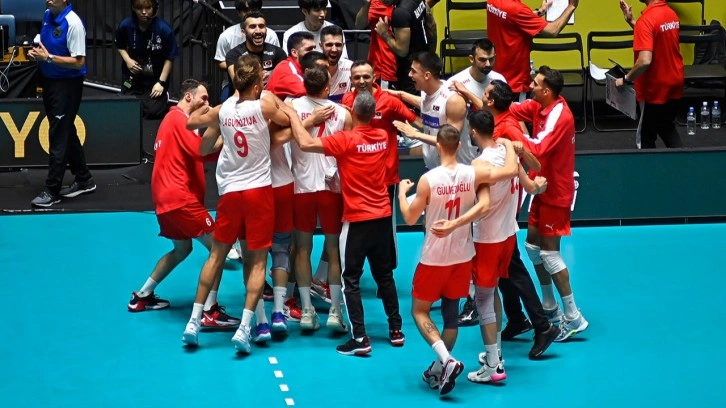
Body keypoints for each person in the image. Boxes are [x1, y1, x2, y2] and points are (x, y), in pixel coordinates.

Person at [281, 91, 405, 356]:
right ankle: (396, 330)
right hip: (382, 216)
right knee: (384, 275)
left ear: (353, 113)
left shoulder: (346, 140)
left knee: (351, 279)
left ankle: (360, 338)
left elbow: (303, 142)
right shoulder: (382, 138)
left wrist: (292, 113)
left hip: (357, 219)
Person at [181, 54, 291, 352]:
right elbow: (287, 120)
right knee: (257, 262)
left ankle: (193, 321)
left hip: (230, 193)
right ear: (256, 83)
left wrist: (214, 125)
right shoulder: (264, 105)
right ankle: (245, 328)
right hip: (258, 192)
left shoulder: (223, 109)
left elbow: (191, 122)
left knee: (215, 257)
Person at [397, 124, 518, 395]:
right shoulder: (473, 173)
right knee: (451, 317)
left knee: (419, 311)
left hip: (434, 257)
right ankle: (440, 369)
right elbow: (510, 171)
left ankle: (448, 360)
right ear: (459, 146)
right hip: (463, 257)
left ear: (438, 147)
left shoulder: (429, 180)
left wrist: (402, 194)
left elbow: (409, 217)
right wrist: (509, 145)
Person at [127, 79, 239, 328]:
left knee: (182, 249)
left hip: (166, 202)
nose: (207, 103)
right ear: (188, 97)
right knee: (219, 248)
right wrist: (228, 130)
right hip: (180, 200)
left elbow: (201, 152)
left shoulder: (172, 121)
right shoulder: (179, 119)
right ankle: (210, 311)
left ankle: (142, 296)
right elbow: (202, 151)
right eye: (204, 98)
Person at [479, 79, 559, 359]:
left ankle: (542, 325)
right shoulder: (496, 123)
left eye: (485, 94)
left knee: (514, 271)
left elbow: (533, 159)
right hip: (500, 213)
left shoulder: (509, 128)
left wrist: (525, 181)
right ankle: (517, 318)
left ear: (491, 101)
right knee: (505, 271)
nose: (482, 96)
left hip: (501, 213)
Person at [509, 66, 588, 342]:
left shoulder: (560, 116)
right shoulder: (539, 105)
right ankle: (549, 306)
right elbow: (510, 110)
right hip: (541, 188)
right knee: (532, 247)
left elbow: (538, 149)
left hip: (556, 192)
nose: (530, 85)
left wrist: (513, 138)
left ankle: (574, 316)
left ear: (546, 91)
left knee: (550, 254)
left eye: (535, 83)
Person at [289, 67, 352, 333]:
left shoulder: (291, 108)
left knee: (301, 248)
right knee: (334, 249)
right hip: (331, 188)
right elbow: (348, 152)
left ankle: (306, 309)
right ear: (327, 87)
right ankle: (336, 311)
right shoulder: (343, 114)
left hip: (301, 187)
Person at [29, 0, 95, 207]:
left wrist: (47, 58)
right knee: (65, 129)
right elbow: (47, 48)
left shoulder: (73, 23)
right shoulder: (48, 15)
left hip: (67, 85)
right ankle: (84, 179)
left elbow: (79, 62)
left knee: (58, 134)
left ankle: (52, 190)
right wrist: (37, 54)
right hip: (49, 81)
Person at [617, 0, 684, 149]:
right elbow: (654, 36)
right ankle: (682, 163)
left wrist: (626, 78)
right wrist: (632, 21)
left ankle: (648, 170)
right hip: (675, 81)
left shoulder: (647, 20)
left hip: (655, 87)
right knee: (666, 126)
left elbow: (644, 61)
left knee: (646, 138)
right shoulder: (670, 14)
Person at [486, 0, 578, 100]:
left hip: (496, 75)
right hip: (515, 82)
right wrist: (571, 6)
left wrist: (540, 11)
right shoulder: (517, 9)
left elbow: (513, 17)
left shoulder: (492, 1)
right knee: (516, 115)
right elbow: (553, 30)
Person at [389, 52, 467, 170]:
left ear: (427, 75)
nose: (409, 75)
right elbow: (426, 104)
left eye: (413, 71)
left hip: (454, 171)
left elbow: (449, 141)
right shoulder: (425, 92)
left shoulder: (454, 101)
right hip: (432, 166)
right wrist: (400, 95)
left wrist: (416, 135)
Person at [446, 38, 507, 170]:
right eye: (482, 60)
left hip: (493, 159)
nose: (488, 64)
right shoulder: (454, 83)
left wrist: (466, 93)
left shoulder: (499, 81)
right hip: (465, 160)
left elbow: (502, 116)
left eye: (491, 59)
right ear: (471, 59)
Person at [115, 0, 179, 118]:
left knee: (152, 111)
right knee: (124, 104)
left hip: (155, 76)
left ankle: (162, 96)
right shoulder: (126, 25)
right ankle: (137, 99)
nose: (144, 12)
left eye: (148, 8)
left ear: (153, 8)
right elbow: (120, 45)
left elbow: (170, 57)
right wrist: (128, 60)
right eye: (140, 8)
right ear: (134, 8)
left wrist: (161, 83)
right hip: (132, 74)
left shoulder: (164, 29)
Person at [215, 0, 280, 102]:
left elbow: (278, 62)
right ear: (238, 12)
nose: (249, 13)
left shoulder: (271, 35)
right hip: (235, 82)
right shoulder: (226, 36)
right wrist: (247, 70)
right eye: (245, 10)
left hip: (268, 82)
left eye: (253, 9)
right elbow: (220, 61)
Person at [373, 0, 429, 95]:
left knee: (413, 106)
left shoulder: (400, 13)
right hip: (424, 62)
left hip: (410, 72)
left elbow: (401, 50)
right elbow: (430, 24)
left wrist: (383, 33)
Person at [282, 0, 349, 59]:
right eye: (317, 10)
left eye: (324, 9)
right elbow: (288, 64)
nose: (322, 14)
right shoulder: (291, 34)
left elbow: (342, 60)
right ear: (305, 11)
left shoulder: (335, 31)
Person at [354, 0, 397, 87]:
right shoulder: (376, 3)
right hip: (384, 66)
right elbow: (359, 25)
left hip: (404, 65)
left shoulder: (407, 4)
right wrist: (366, 5)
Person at [265, 31, 317, 99]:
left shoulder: (303, 66)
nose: (314, 53)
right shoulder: (285, 68)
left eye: (314, 48)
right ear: (294, 52)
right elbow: (307, 92)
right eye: (309, 49)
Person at [320, 25, 352, 103]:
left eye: (338, 45)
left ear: (343, 46)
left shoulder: (350, 67)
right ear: (321, 46)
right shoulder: (312, 68)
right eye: (329, 45)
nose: (334, 49)